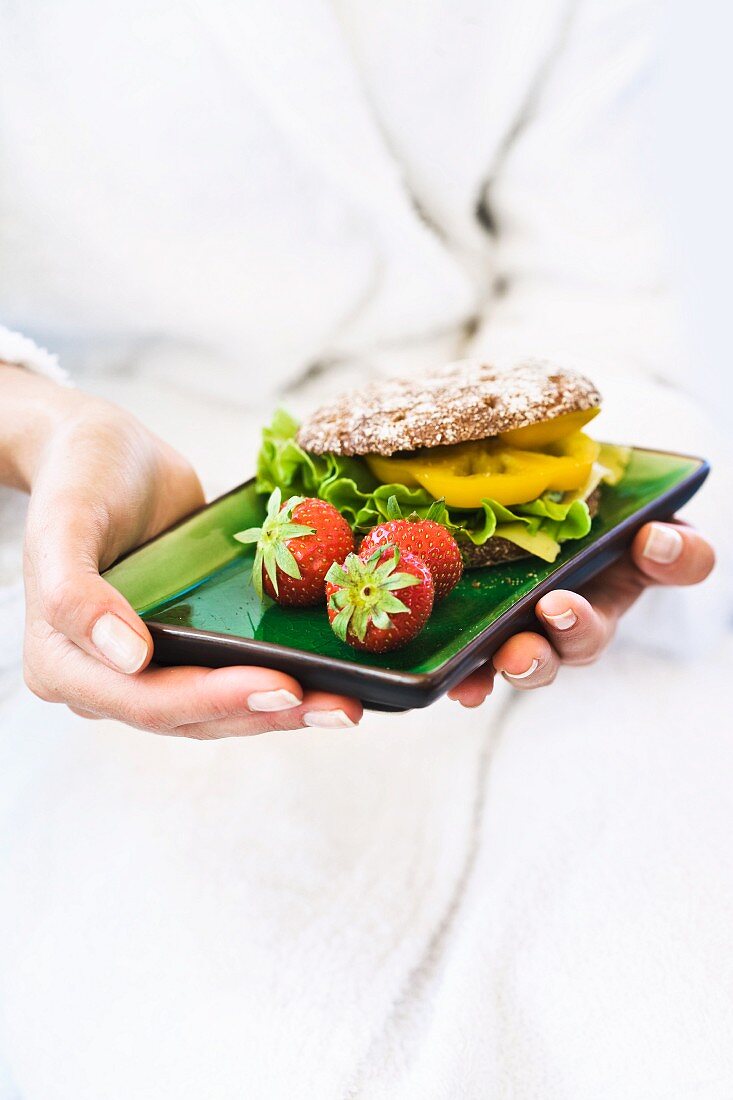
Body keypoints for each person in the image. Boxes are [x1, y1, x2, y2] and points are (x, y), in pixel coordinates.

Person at [0, 3, 729, 1098]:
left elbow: (608, 294)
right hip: (97, 495)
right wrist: (35, 423)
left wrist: (571, 526)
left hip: (507, 586)